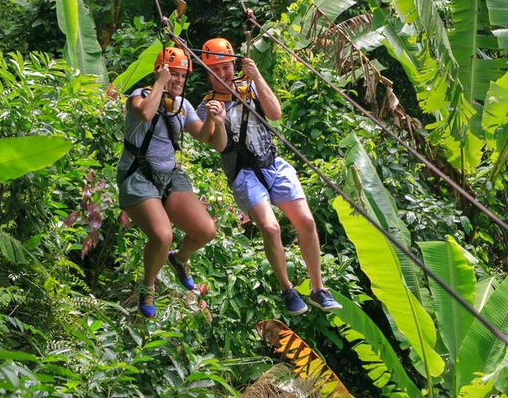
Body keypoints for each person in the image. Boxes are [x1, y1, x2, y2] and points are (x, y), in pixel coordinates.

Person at [196, 37, 341, 315]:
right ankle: (287, 290)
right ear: (208, 72)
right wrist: (217, 121)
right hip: (243, 173)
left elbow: (275, 113)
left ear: (233, 65)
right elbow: (220, 146)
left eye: (227, 67)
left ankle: (318, 289)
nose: (223, 74)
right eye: (217, 70)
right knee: (271, 228)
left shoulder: (249, 86)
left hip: (272, 163)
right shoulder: (208, 105)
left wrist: (257, 77)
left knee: (307, 222)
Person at [117, 46, 226, 319]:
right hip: (137, 175)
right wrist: (159, 83)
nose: (178, 80)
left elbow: (203, 136)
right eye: (173, 75)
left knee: (205, 230)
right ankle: (148, 287)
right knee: (163, 235)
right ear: (161, 72)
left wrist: (213, 117)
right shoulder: (139, 96)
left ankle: (180, 259)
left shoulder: (182, 105)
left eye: (182, 76)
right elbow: (145, 113)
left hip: (169, 178)